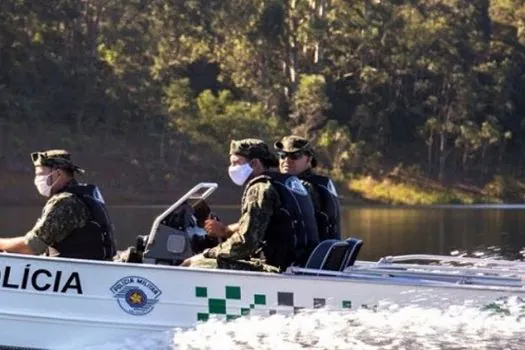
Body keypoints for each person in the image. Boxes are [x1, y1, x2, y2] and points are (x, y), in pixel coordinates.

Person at [182, 138, 319, 272]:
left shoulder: (260, 188)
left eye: (237, 163)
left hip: (277, 270)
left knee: (195, 265)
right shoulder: (286, 183)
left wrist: (207, 253)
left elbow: (246, 243)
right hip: (297, 265)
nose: (232, 168)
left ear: (254, 163)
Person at [0, 149, 117, 260]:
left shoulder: (65, 202)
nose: (37, 179)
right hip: (86, 268)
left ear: (59, 174)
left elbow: (31, 247)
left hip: (76, 273)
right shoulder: (83, 195)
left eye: (41, 174)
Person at [274, 135, 342, 241]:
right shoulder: (320, 183)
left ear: (309, 159)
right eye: (282, 155)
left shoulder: (303, 188)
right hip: (321, 252)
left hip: (306, 255)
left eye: (295, 155)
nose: (287, 160)